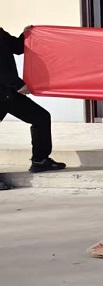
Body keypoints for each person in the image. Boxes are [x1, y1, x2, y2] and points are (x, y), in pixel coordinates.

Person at [1, 26, 66, 189]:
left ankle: (40, 160)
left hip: (8, 94)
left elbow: (17, 48)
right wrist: (17, 84)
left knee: (41, 118)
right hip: (6, 90)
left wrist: (27, 34)